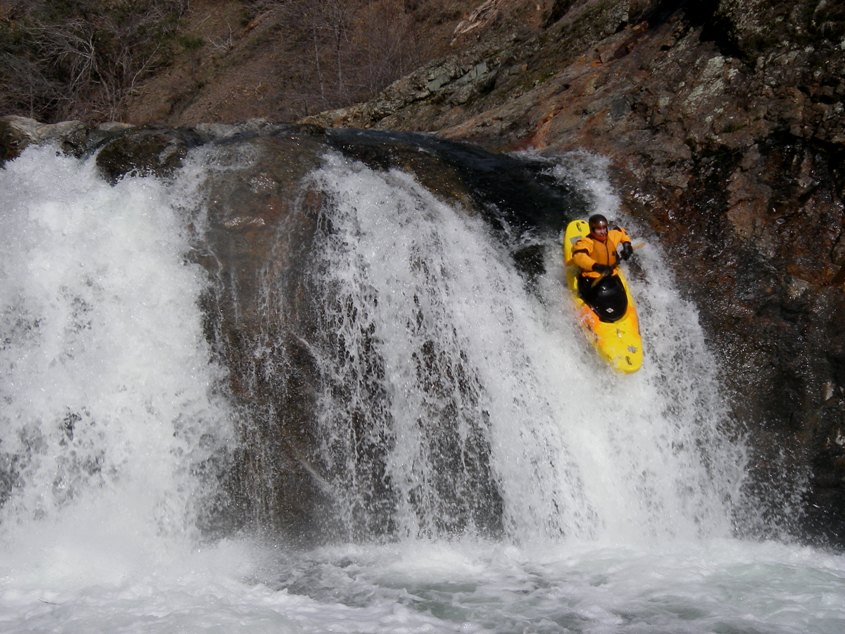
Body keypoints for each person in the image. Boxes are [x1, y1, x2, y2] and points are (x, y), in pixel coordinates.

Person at [572, 214, 634, 313]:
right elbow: (579, 257)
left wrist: (627, 245)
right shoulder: (586, 242)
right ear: (592, 229)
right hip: (592, 279)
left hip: (611, 276)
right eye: (599, 229)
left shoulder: (611, 237)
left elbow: (621, 231)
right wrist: (596, 266)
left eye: (604, 228)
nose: (603, 232)